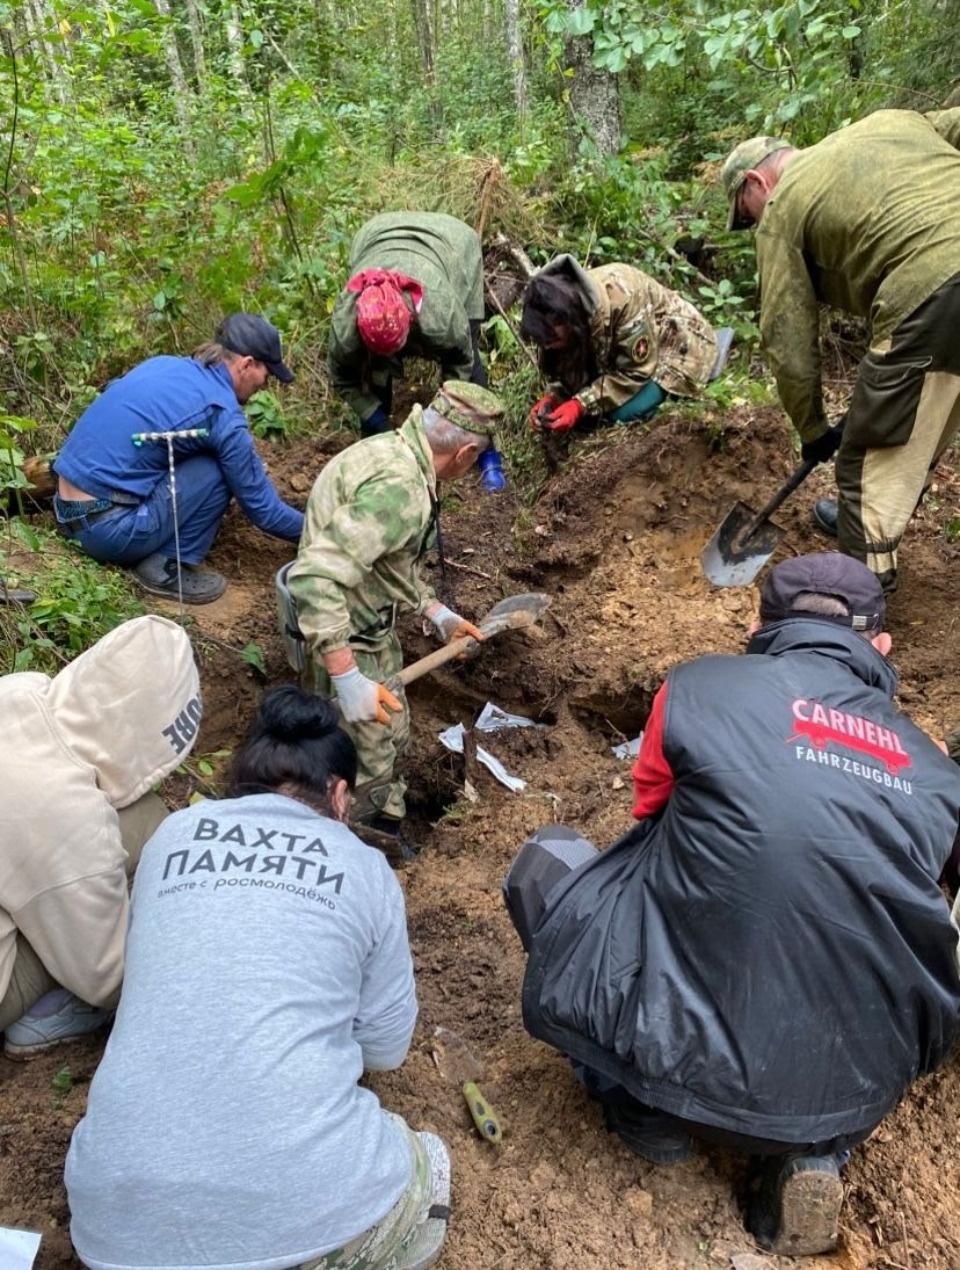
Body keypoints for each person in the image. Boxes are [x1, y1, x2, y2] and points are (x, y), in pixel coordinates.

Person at [503, 551, 960, 1257]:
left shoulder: (697, 688)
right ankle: (814, 1155)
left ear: (757, 623)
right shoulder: (933, 767)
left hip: (671, 1064)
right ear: (883, 647)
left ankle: (648, 1119)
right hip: (849, 1088)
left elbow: (649, 812)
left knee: (549, 863)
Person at [65, 685, 450, 1270]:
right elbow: (385, 1049)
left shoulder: (170, 837)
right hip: (300, 1205)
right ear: (339, 794)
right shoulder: (365, 868)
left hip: (113, 1226)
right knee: (426, 1161)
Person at [721, 109, 960, 593]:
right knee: (917, 418)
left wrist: (812, 429)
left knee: (862, 456)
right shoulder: (890, 122)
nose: (753, 224)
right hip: (939, 292)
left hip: (933, 285)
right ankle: (874, 529)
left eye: (747, 214)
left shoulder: (783, 206)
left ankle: (858, 603)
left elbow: (786, 336)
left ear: (757, 182)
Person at [285, 381, 504, 857]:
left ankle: (388, 818)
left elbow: (387, 560)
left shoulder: (391, 450)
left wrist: (437, 612)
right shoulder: (401, 489)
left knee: (392, 736)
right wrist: (346, 677)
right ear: (466, 452)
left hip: (369, 630)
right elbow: (314, 577)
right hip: (345, 641)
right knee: (360, 763)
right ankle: (352, 847)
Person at [0, 615, 200, 1058]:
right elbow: (108, 977)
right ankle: (48, 1015)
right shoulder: (68, 817)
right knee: (154, 831)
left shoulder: (20, 689)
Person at [52, 313, 304, 604]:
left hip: (65, 510)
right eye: (267, 375)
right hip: (109, 534)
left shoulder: (162, 364)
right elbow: (265, 511)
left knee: (183, 447)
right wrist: (318, 529)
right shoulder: (221, 413)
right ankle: (164, 568)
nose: (266, 383)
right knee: (220, 470)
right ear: (247, 364)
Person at [328, 211, 489, 438]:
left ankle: (486, 452)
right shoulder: (346, 326)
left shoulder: (440, 317)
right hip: (375, 235)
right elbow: (342, 376)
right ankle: (375, 440)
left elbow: (461, 359)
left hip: (452, 242)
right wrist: (377, 419)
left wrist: (440, 414)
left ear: (410, 324)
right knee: (373, 371)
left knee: (471, 360)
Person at [520, 254, 719, 433]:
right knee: (587, 416)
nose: (546, 347)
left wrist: (581, 404)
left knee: (619, 415)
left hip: (676, 344)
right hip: (624, 352)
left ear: (568, 320)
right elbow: (567, 361)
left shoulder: (623, 298)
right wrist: (555, 397)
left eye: (550, 340)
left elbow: (637, 370)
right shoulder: (557, 306)